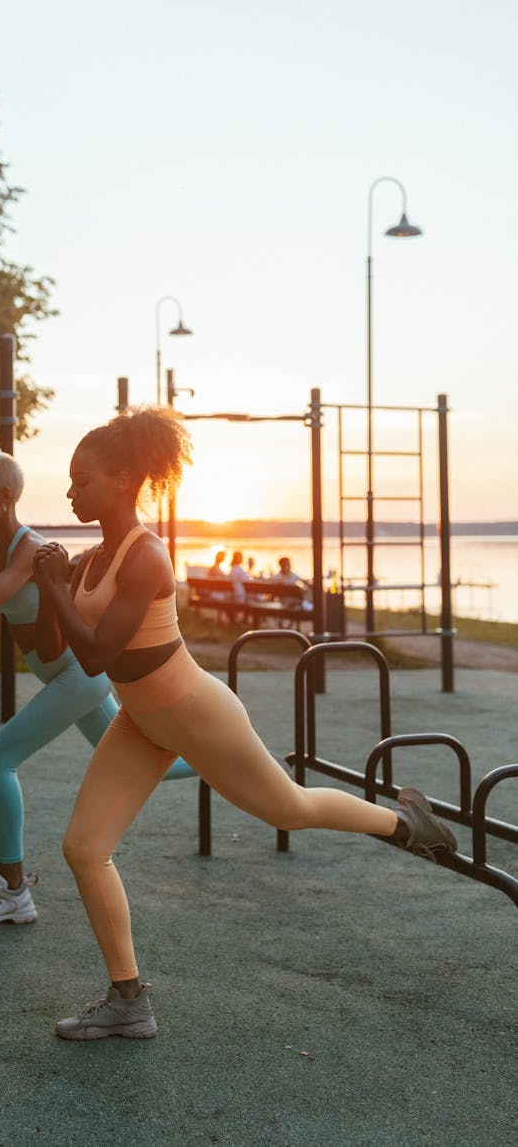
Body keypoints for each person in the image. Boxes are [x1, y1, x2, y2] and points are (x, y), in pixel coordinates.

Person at [32, 407, 457, 1041]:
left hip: (197, 714)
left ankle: (405, 822)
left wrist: (58, 591)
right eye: (69, 482)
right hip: (143, 722)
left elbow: (97, 656)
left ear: (124, 479)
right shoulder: (90, 558)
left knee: (288, 809)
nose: (71, 493)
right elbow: (52, 650)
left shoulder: (146, 556)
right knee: (84, 849)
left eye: (82, 480)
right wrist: (51, 588)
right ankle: (129, 1000)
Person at [0, 451, 193, 931]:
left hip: (77, 674)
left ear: (5, 498)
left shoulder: (31, 550)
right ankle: (222, 761)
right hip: (62, 675)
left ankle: (13, 890)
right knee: (162, 762)